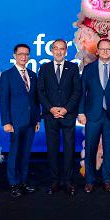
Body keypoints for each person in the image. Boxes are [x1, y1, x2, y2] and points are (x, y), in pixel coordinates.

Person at [78, 38, 110, 193]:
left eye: (108, 49)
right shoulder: (88, 69)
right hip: (92, 115)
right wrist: (81, 112)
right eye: (102, 49)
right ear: (97, 51)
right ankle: (90, 181)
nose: (105, 52)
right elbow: (82, 93)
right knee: (90, 148)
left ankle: (107, 180)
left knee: (109, 148)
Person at [37, 39, 81, 196]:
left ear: (66, 51)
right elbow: (40, 91)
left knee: (69, 149)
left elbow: (77, 91)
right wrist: (51, 108)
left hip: (68, 115)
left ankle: (68, 181)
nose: (59, 51)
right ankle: (55, 181)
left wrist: (66, 109)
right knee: (52, 149)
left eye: (62, 49)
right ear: (52, 50)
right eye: (56, 48)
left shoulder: (73, 67)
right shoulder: (44, 68)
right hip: (50, 116)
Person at [0, 43, 40, 197]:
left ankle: (23, 181)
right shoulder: (7, 75)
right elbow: (4, 100)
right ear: (14, 55)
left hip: (30, 122)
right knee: (15, 152)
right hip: (15, 122)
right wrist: (6, 122)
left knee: (26, 153)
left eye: (26, 54)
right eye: (21, 54)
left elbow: (35, 100)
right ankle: (13, 183)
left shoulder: (32, 75)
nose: (24, 57)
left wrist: (37, 119)